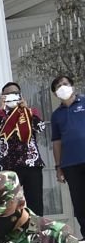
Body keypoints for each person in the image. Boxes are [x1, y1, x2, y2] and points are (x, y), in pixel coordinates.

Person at [0, 81, 45, 215]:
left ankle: (35, 233)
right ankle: (14, 234)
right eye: (7, 94)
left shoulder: (30, 112)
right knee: (10, 206)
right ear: (2, 97)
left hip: (32, 164)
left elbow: (40, 127)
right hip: (9, 167)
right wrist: (0, 108)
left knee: (35, 204)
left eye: (15, 94)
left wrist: (28, 111)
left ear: (20, 96)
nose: (11, 97)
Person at [52, 75, 85, 234]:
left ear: (72, 86)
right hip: (70, 164)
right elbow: (56, 142)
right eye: (58, 86)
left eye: (65, 84)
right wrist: (58, 167)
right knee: (79, 201)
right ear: (55, 93)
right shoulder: (56, 115)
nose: (62, 87)